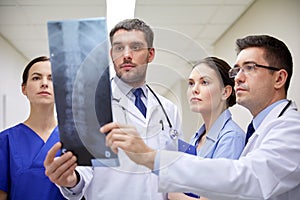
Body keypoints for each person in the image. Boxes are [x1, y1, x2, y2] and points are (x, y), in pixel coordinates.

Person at [102, 35, 300, 200]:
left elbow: (245, 178)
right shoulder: (258, 130)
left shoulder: (291, 130)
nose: (238, 77)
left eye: (250, 68)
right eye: (237, 70)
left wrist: (152, 157)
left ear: (279, 78)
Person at [44, 18, 182, 200]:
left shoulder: (168, 110)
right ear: (111, 54)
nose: (126, 55)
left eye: (135, 47)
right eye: (119, 48)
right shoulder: (90, 105)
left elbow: (172, 169)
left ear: (150, 54)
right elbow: (82, 171)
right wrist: (71, 180)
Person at [168, 56, 245, 200]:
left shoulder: (231, 138)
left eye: (204, 82)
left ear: (225, 92)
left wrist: (174, 195)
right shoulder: (196, 138)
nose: (194, 90)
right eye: (191, 83)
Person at [0, 56, 66, 200]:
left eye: (51, 78)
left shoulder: (74, 139)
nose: (44, 84)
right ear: (24, 89)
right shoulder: (6, 140)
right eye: (36, 78)